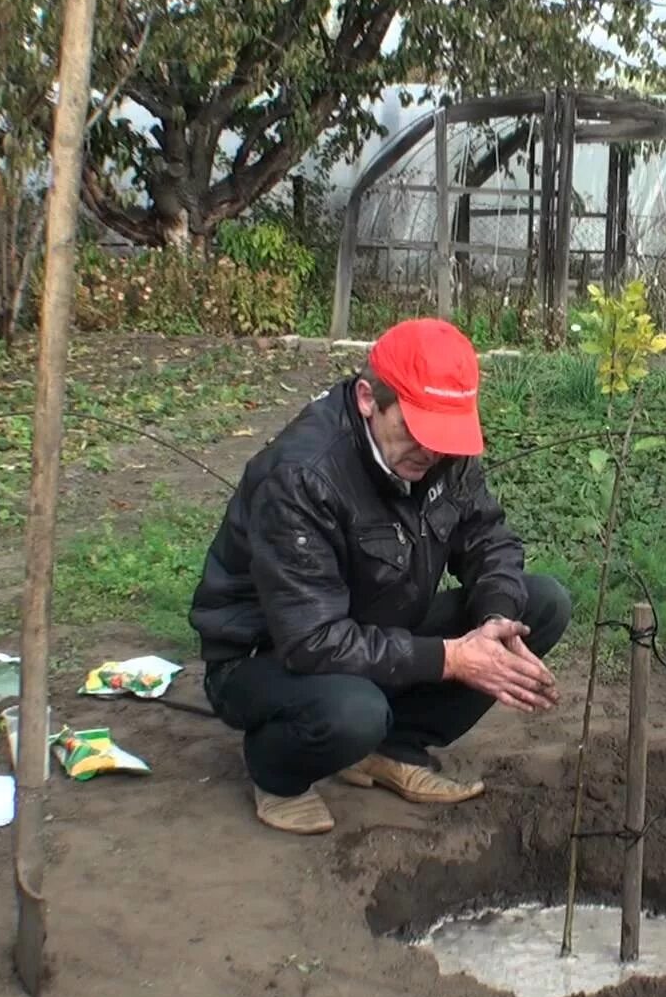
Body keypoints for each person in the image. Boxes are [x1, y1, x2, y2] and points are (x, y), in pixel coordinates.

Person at [188, 318, 573, 834]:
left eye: (445, 436)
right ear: (369, 398)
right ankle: (275, 771)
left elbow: (488, 538)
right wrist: (451, 658)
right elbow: (312, 641)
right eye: (418, 431)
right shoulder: (303, 476)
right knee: (353, 712)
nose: (432, 451)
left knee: (540, 603)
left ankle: (389, 749)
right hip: (266, 655)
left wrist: (494, 619)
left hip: (374, 619)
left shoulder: (443, 453)